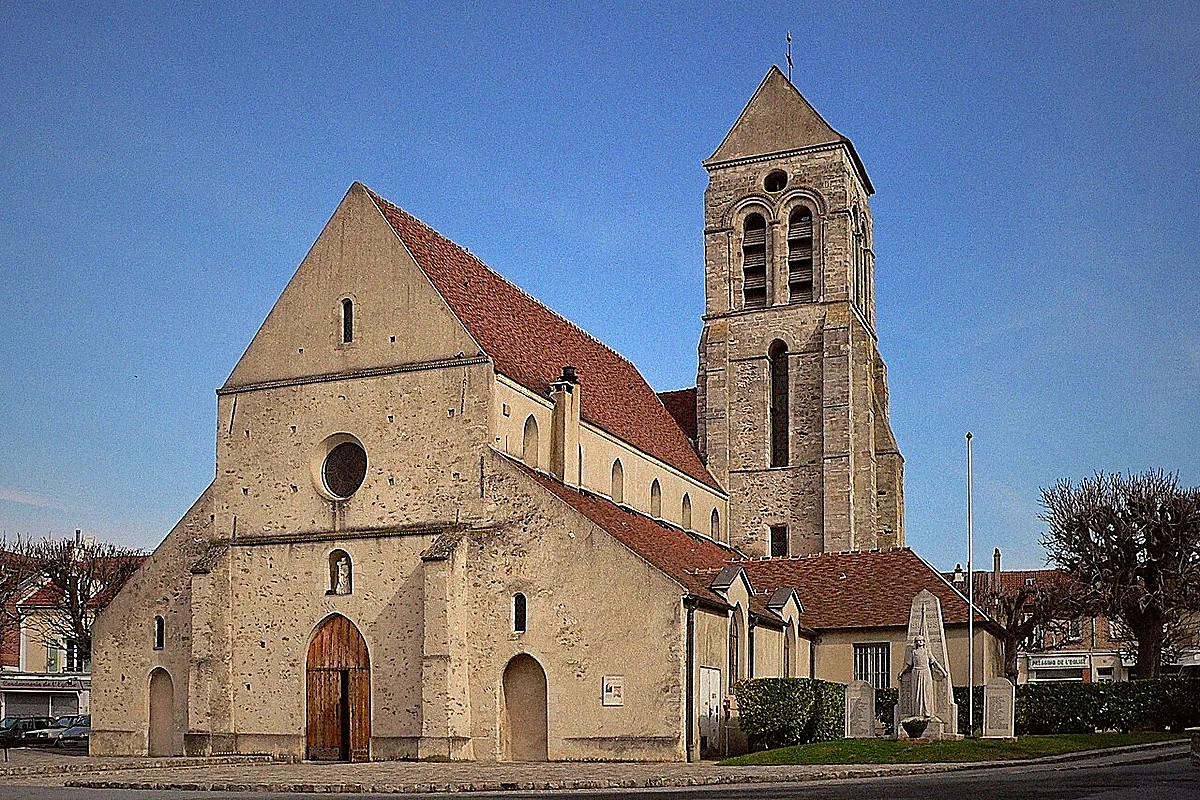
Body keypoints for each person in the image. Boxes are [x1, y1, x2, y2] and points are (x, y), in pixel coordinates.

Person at [901, 636, 947, 718]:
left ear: (924, 642)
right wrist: (901, 672)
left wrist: (942, 671)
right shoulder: (914, 652)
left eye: (921, 640)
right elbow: (908, 664)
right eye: (917, 641)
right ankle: (917, 712)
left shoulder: (927, 652)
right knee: (917, 692)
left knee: (926, 692)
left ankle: (927, 711)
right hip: (916, 672)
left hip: (925, 672)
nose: (919, 642)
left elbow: (934, 662)